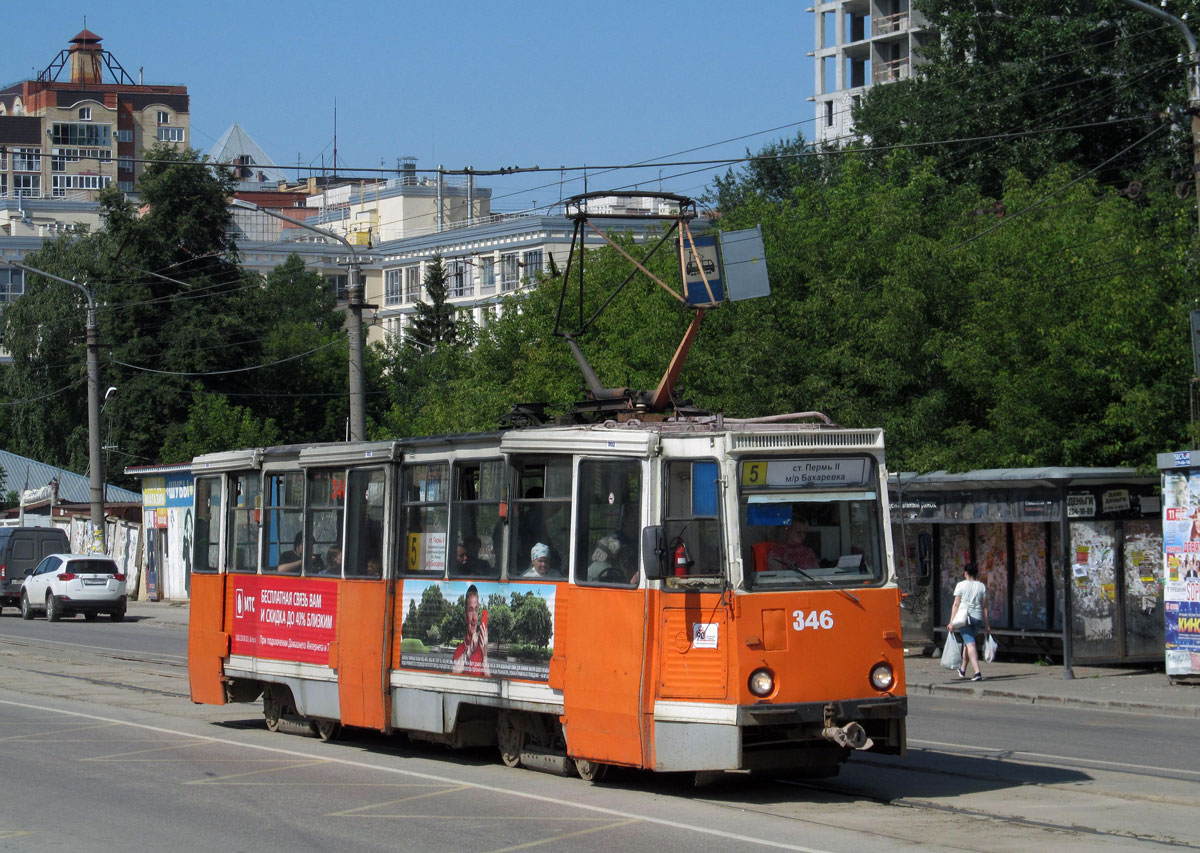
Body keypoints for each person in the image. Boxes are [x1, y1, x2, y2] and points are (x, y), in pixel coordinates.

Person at [947, 562, 991, 681]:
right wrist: (987, 625)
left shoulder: (961, 585)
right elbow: (984, 607)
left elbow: (956, 604)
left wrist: (951, 622)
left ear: (965, 573)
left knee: (970, 644)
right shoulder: (982, 586)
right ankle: (962, 669)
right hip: (978, 618)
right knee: (968, 642)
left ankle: (977, 672)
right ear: (976, 573)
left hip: (964, 618)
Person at [451, 584, 490, 676]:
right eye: (470, 610)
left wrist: (484, 655)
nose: (474, 618)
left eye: (476, 610)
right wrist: (469, 651)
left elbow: (490, 684)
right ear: (465, 615)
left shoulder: (482, 649)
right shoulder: (460, 649)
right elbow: (453, 674)